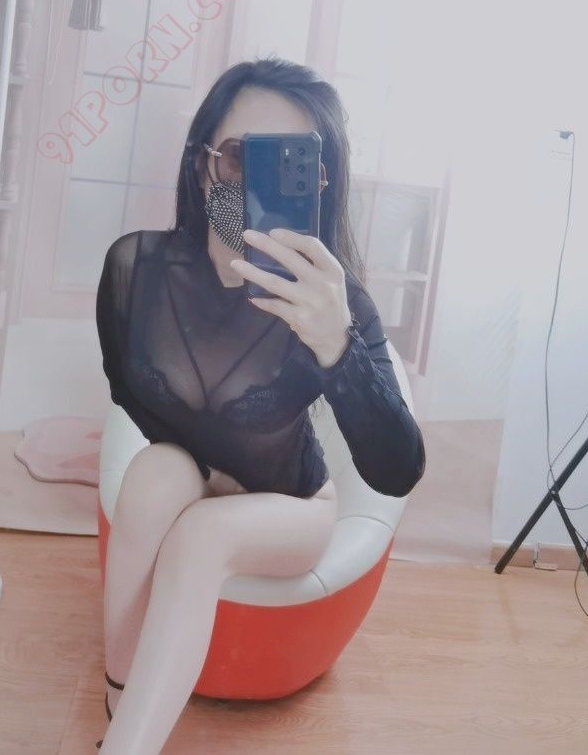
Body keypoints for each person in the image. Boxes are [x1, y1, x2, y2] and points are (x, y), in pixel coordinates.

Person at [94, 57, 426, 753]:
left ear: (320, 181)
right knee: (153, 477)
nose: (255, 183)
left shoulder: (335, 300)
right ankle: (118, 696)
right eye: (242, 157)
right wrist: (199, 472)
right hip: (195, 476)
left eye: (291, 164)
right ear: (203, 165)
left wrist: (336, 345)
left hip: (292, 504)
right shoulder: (136, 268)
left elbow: (396, 470)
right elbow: (133, 395)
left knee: (201, 534)